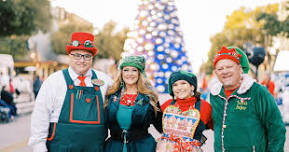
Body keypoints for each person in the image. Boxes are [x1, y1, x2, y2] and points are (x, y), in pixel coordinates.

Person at [28, 32, 113, 152]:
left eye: (87, 56)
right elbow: (40, 116)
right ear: (69, 55)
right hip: (61, 147)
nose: (82, 60)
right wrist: (39, 147)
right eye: (77, 55)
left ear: (92, 57)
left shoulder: (105, 81)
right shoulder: (54, 81)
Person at [210, 46, 286, 152]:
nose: (225, 71)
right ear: (216, 73)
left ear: (240, 68)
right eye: (220, 69)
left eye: (229, 67)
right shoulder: (214, 95)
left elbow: (277, 129)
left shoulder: (258, 92)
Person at [104, 55, 162, 152]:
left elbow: (162, 126)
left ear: (140, 73)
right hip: (115, 148)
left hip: (143, 147)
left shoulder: (150, 98)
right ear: (121, 73)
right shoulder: (111, 96)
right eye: (126, 70)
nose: (129, 74)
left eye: (134, 70)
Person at [157, 70, 213, 152]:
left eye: (183, 83)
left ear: (192, 86)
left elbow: (218, 127)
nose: (179, 87)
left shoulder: (204, 106)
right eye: (175, 85)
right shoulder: (167, 105)